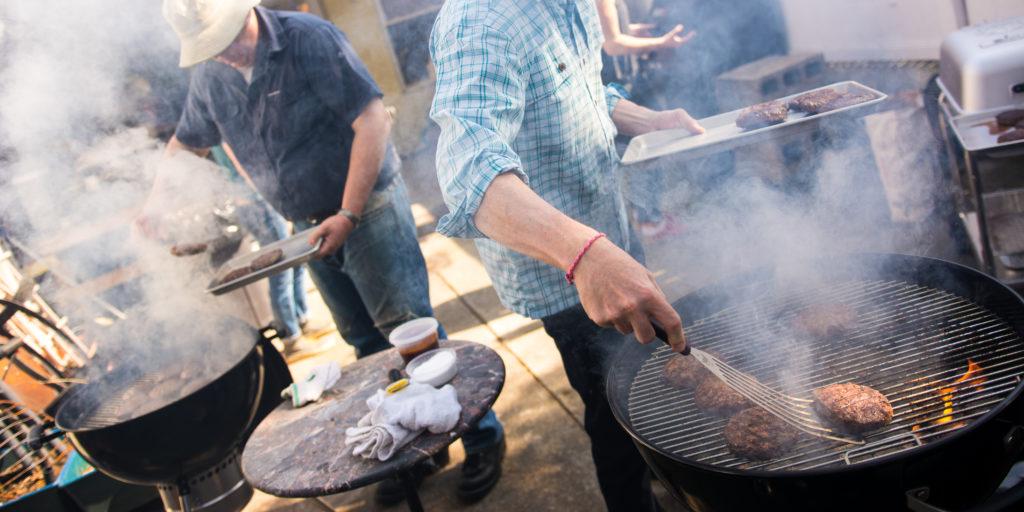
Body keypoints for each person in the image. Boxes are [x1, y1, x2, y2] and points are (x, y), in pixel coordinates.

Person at [149, 0, 505, 503]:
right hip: (308, 228)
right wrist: (153, 206)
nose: (222, 54)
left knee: (413, 335)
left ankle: (483, 437)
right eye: (209, 47)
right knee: (363, 346)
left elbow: (373, 120)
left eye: (225, 40)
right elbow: (186, 146)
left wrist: (349, 213)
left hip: (366, 209)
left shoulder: (307, 38)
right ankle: (417, 445)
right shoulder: (212, 74)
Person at [430, 0, 701, 510]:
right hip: (565, 272)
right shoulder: (478, 20)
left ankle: (658, 464)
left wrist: (646, 118)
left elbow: (580, 88)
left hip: (609, 229)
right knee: (613, 415)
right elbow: (469, 172)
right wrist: (585, 256)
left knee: (650, 386)